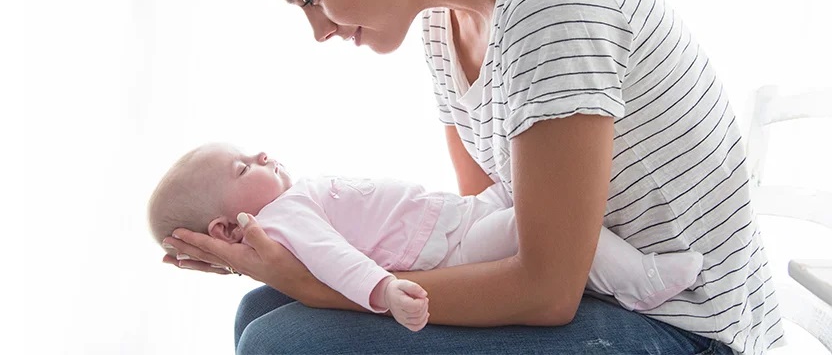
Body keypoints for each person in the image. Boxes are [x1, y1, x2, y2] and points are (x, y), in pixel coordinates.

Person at [160, 0, 783, 353]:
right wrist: (300, 245)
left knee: (285, 339)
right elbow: (484, 227)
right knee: (261, 311)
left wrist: (318, 282)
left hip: (691, 326)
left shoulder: (549, 1)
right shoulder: (442, 26)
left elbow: (544, 291)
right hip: (597, 298)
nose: (319, 30)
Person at [149, 143, 705, 332]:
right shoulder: (281, 221)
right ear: (225, 228)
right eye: (244, 169)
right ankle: (639, 280)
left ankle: (619, 270)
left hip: (456, 219)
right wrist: (386, 291)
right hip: (449, 251)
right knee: (536, 221)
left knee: (524, 199)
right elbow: (335, 260)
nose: (263, 156)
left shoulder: (281, 215)